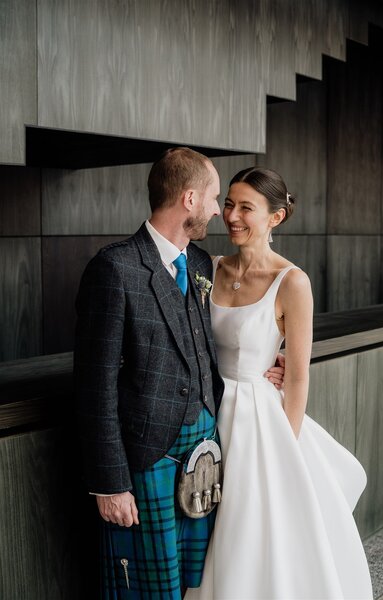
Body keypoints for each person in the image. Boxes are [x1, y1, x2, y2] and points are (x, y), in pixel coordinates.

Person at [74, 148, 284, 599]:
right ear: (189, 199)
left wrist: (273, 359)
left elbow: (216, 343)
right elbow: (94, 388)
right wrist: (110, 484)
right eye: (214, 198)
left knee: (198, 584)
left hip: (205, 454)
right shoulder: (115, 268)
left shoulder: (202, 264)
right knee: (151, 591)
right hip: (148, 461)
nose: (218, 211)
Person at [185, 167, 373, 600]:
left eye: (246, 207)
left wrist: (284, 450)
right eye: (228, 204)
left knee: (249, 525)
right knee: (208, 523)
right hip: (206, 413)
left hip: (259, 424)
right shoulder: (207, 267)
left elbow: (300, 375)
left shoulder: (293, 282)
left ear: (276, 217)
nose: (231, 215)